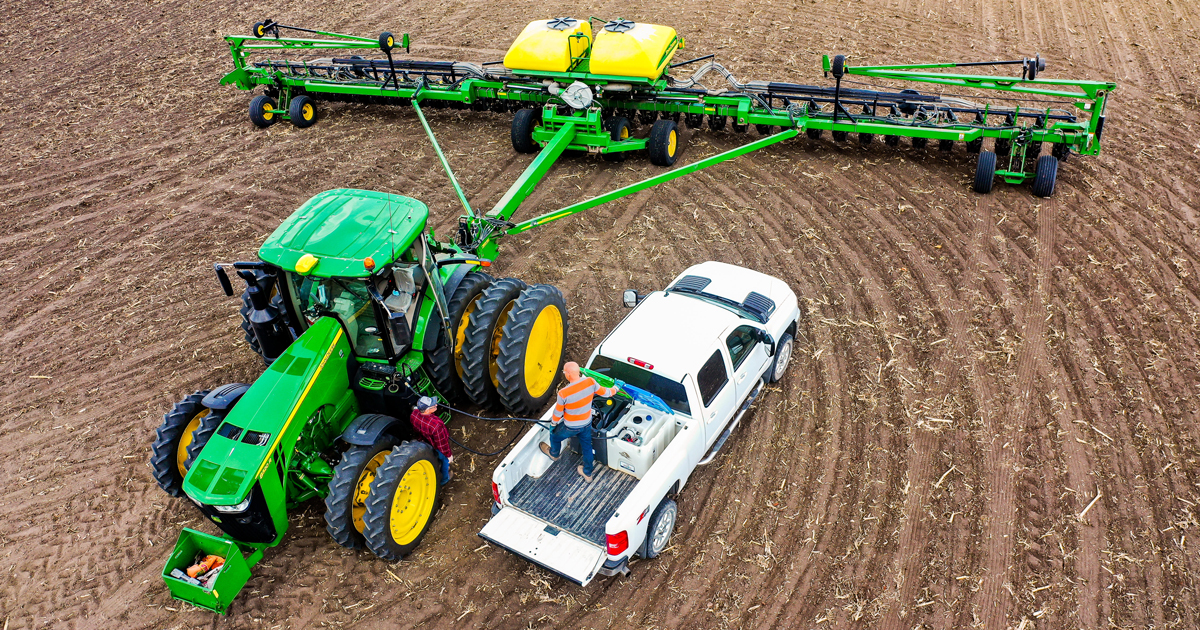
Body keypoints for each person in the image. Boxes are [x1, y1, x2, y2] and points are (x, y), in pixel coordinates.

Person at [540, 362, 619, 482]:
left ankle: (554, 454)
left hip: (570, 427)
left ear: (568, 374)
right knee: (587, 447)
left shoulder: (563, 393)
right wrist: (617, 387)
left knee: (555, 436)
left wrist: (553, 425)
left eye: (564, 372)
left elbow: (558, 414)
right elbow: (607, 393)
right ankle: (587, 473)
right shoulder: (590, 382)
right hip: (586, 424)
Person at [410, 396, 453, 485]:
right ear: (427, 410)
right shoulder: (436, 425)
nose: (436, 405)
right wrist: (448, 455)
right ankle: (444, 479)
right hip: (436, 446)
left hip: (424, 442)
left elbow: (415, 430)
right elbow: (442, 444)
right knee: (444, 461)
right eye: (433, 405)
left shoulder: (414, 414)